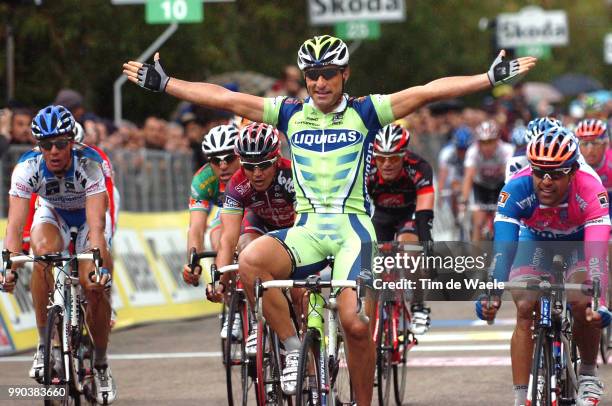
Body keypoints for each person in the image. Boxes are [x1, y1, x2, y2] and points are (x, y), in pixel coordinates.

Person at [123, 34, 536, 403]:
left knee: (356, 324)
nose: (320, 83)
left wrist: (488, 77)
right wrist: (167, 83)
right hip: (306, 228)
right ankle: (289, 347)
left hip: (352, 230)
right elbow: (226, 99)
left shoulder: (366, 112)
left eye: (329, 74)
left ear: (344, 74)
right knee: (250, 263)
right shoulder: (288, 113)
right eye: (312, 75)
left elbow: (425, 91)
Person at [476, 126, 611, 406]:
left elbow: (596, 254)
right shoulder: (515, 188)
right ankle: (519, 396)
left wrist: (599, 300)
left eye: (557, 173)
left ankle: (587, 373)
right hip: (534, 241)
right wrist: (491, 292)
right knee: (525, 307)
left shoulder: (590, 187)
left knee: (581, 301)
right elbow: (504, 250)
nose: (546, 181)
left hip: (577, 242)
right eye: (539, 172)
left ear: (573, 171)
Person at [0, 105, 117, 404]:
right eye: (46, 145)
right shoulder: (26, 169)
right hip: (54, 215)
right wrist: (8, 265)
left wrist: (98, 265)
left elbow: (96, 226)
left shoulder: (90, 165)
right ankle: (44, 345)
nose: (53, 151)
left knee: (93, 285)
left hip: (87, 217)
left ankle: (101, 364)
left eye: (61, 144)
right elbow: (14, 228)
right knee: (41, 255)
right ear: (38, 146)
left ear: (72, 142)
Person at [206, 122, 297, 351]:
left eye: (264, 165)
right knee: (244, 251)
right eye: (248, 166)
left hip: (293, 229)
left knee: (300, 293)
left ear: (276, 159)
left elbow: (304, 226)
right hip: (260, 225)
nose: (256, 174)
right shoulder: (237, 184)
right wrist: (219, 282)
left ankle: (304, 347)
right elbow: (228, 238)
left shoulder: (293, 175)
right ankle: (258, 320)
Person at [366, 123, 434, 334]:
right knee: (369, 258)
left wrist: (428, 251)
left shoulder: (419, 167)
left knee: (410, 252)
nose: (386, 164)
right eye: (381, 157)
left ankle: (418, 306)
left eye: (394, 158)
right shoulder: (367, 169)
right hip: (380, 215)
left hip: (410, 215)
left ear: (404, 156)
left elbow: (424, 217)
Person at [181, 124, 241, 286]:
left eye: (229, 158)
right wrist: (194, 264)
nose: (223, 166)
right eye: (215, 160)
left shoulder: (251, 171)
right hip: (225, 212)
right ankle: (227, 292)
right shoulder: (202, 180)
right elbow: (196, 228)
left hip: (254, 211)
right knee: (217, 241)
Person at [460, 120, 514, 240]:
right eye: (483, 142)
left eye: (490, 142)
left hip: (501, 186)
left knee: (500, 222)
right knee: (478, 224)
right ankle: (476, 257)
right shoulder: (472, 151)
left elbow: (510, 177)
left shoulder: (507, 150)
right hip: (481, 187)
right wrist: (463, 201)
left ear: (497, 140)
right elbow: (468, 177)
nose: (487, 146)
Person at [437, 125, 472, 224]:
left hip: (469, 172)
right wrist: (440, 194)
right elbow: (443, 175)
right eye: (459, 148)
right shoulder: (447, 153)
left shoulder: (473, 152)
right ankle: (456, 217)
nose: (462, 152)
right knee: (454, 189)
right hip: (456, 173)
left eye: (465, 149)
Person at [575, 119, 611, 207]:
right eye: (584, 144)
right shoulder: (572, 167)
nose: (590, 150)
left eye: (595, 143)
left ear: (605, 145)